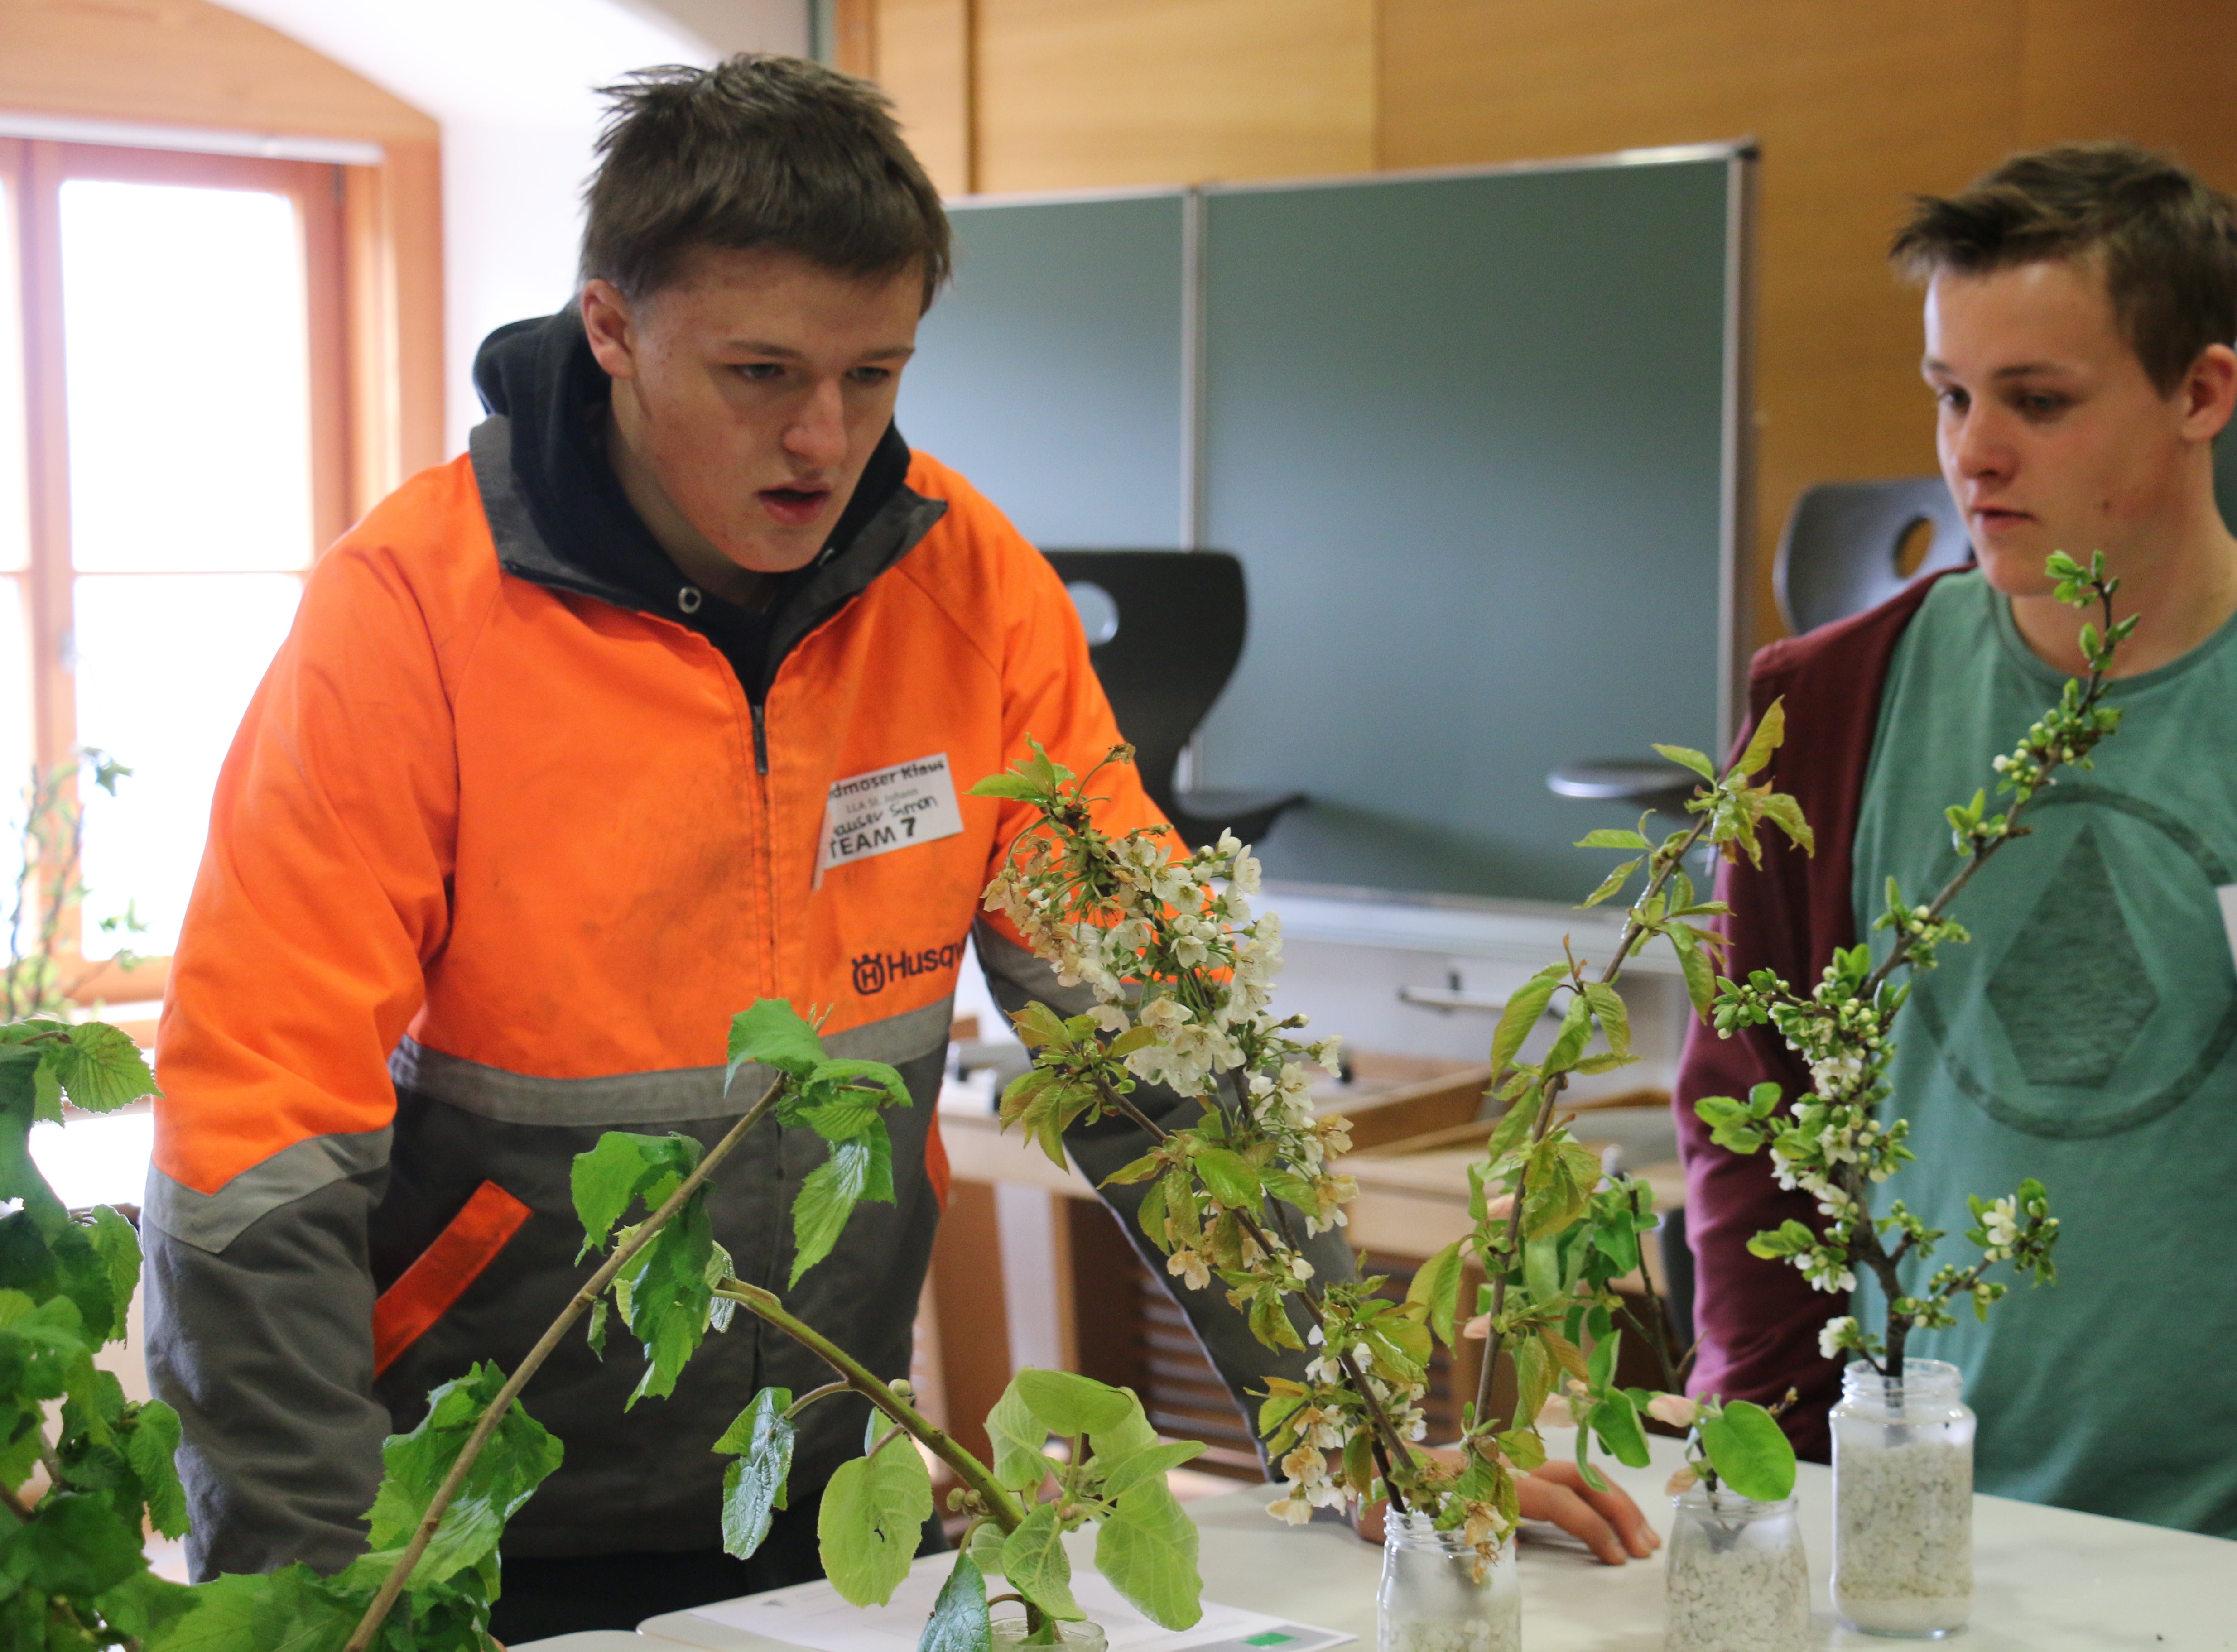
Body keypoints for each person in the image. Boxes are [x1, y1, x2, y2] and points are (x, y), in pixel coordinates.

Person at [142, 55, 1643, 1640]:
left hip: (823, 1495)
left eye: (874, 375)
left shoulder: (970, 593)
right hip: (459, 1525)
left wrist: (1358, 1429)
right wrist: (314, 1592)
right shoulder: (408, 615)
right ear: (612, 330)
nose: (824, 438)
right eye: (761, 372)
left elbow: (1157, 1040)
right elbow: (258, 1126)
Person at [1678, 139, 2237, 1628]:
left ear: (2202, 393)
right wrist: (1769, 1458)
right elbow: (1748, 1119)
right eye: (1951, 395)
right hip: (1909, 1563)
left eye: (2037, 402)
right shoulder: (1826, 714)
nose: (1973, 455)